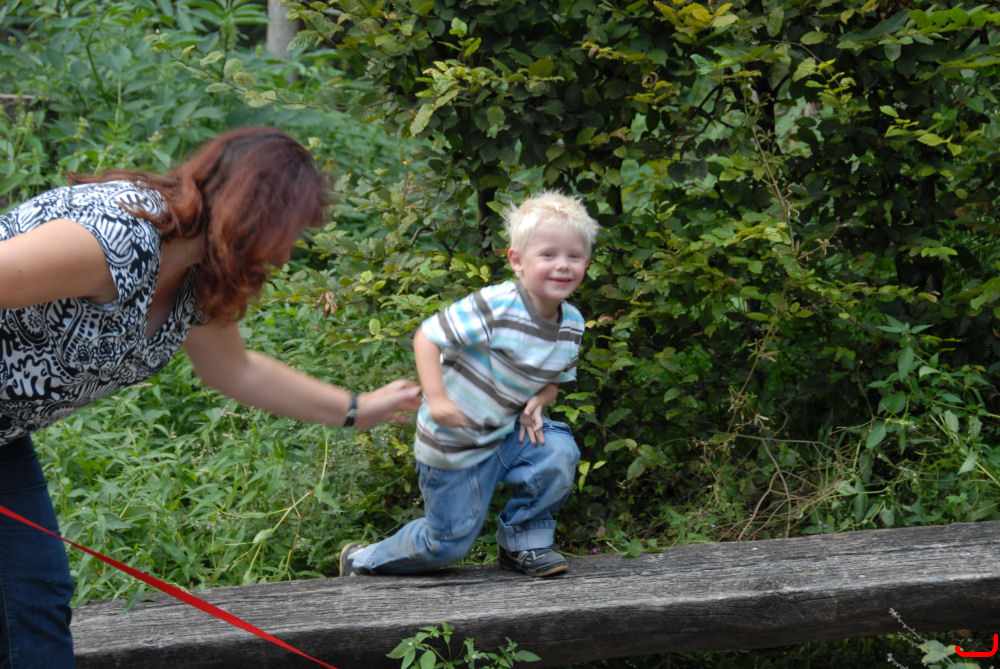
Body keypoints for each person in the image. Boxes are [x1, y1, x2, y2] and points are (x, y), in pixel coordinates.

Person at [0, 126, 422, 668]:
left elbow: (236, 371)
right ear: (258, 214)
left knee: (33, 600)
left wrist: (358, 409)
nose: (288, 253)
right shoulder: (113, 236)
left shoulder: (195, 277)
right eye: (291, 231)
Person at [339, 190, 599, 579]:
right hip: (454, 443)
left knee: (557, 452)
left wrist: (539, 401)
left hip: (505, 434)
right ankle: (362, 559)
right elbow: (427, 337)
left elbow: (553, 382)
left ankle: (522, 544)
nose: (562, 265)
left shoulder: (572, 324)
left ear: (586, 263)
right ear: (518, 261)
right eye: (548, 254)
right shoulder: (497, 305)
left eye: (573, 256)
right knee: (446, 545)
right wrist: (438, 399)